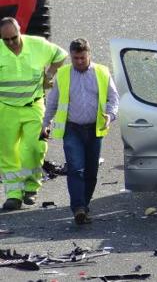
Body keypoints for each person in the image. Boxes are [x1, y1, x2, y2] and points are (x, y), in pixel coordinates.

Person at [42, 38, 119, 224]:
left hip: (95, 129)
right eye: (75, 58)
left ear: (89, 55)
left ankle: (84, 206)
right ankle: (78, 208)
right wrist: (45, 123)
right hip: (72, 129)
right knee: (76, 169)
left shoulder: (102, 72)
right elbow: (52, 102)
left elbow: (113, 99)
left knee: (91, 172)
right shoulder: (63, 74)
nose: (79, 62)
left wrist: (110, 115)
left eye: (82, 58)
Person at [0, 17, 67, 211]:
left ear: (20, 31)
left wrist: (49, 76)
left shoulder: (37, 45)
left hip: (33, 105)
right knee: (8, 152)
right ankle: (13, 195)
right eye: (6, 40)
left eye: (14, 37)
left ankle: (31, 187)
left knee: (36, 147)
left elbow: (60, 55)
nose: (11, 43)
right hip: (6, 108)